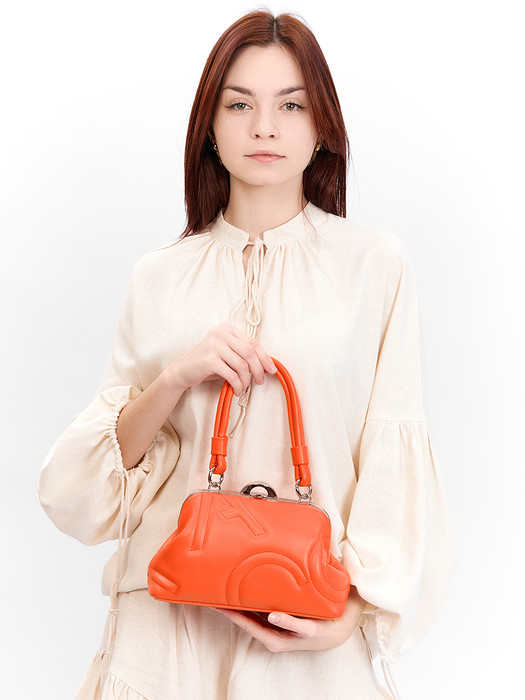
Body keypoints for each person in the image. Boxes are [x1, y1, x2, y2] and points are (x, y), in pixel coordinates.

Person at [38, 9, 454, 700]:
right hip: (166, 633)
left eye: (291, 105)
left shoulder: (374, 266)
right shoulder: (159, 276)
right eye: (239, 105)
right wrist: (175, 377)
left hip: (303, 629)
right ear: (210, 125)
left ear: (322, 128)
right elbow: (93, 492)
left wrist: (348, 616)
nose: (265, 127)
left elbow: (391, 460)